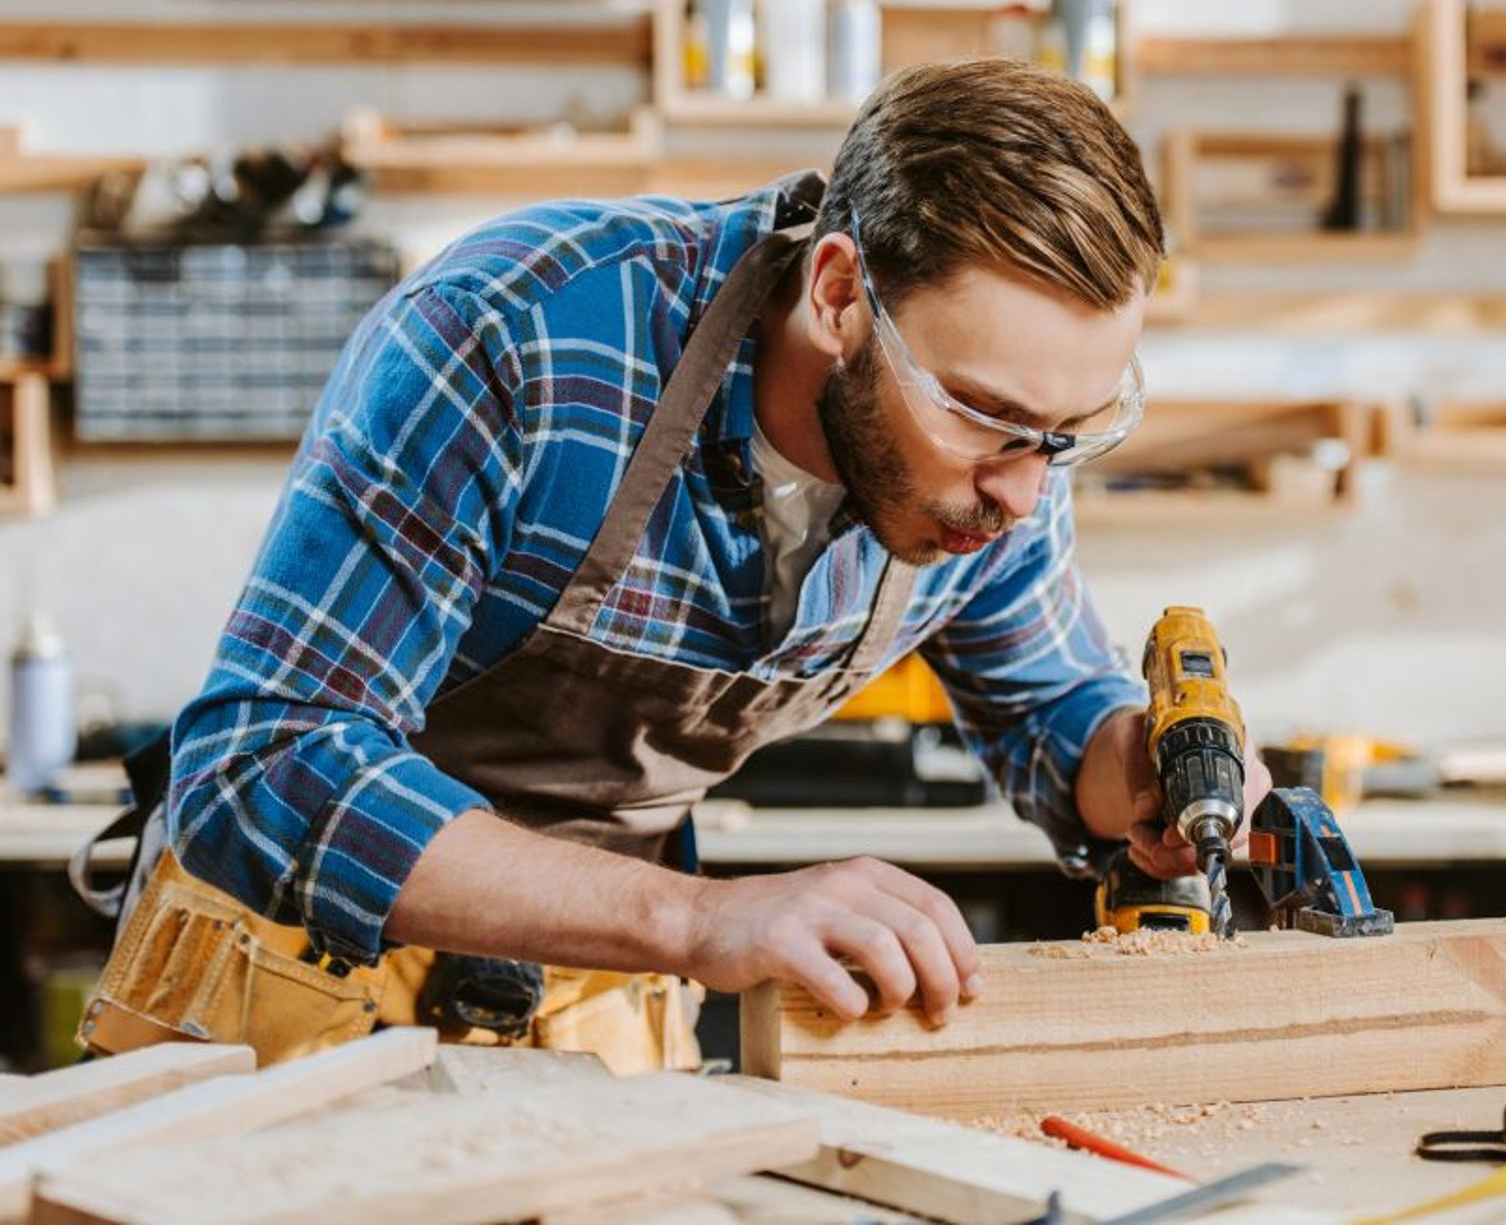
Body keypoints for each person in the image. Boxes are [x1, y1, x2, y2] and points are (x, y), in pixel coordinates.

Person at [79, 59, 1270, 1069]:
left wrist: (1144, 770)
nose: (1024, 488)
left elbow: (1055, 704)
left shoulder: (997, 472)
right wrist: (698, 917)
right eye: (986, 414)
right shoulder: (523, 333)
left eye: (1072, 434)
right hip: (275, 1001)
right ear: (842, 292)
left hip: (592, 1013)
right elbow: (266, 760)